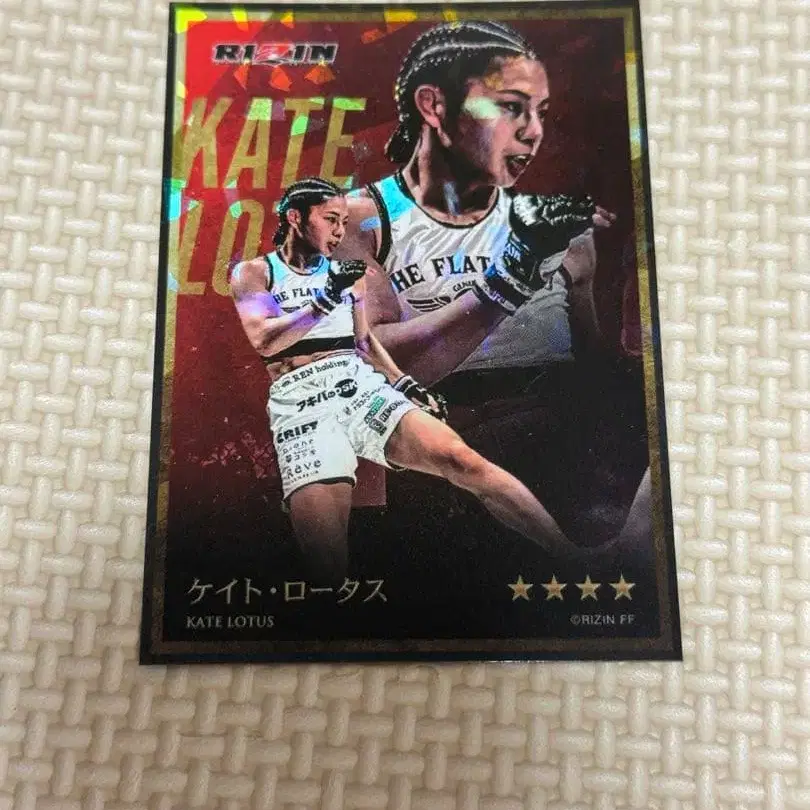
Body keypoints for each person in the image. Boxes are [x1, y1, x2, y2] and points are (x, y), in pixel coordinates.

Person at [336, 20, 652, 550]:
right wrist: (512, 278)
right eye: (510, 107)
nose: (533, 131)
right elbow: (375, 363)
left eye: (540, 112)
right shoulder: (360, 219)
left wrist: (616, 313)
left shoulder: (553, 223)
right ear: (433, 105)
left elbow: (591, 367)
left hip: (569, 443)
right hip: (449, 448)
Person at [229, 177, 598, 584]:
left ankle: (575, 559)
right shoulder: (254, 273)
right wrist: (325, 298)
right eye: (330, 220)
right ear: (296, 219)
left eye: (344, 222)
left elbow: (364, 342)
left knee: (463, 460)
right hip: (304, 405)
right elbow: (265, 339)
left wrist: (405, 385)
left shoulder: (347, 274)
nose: (339, 232)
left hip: (357, 385)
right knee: (326, 555)